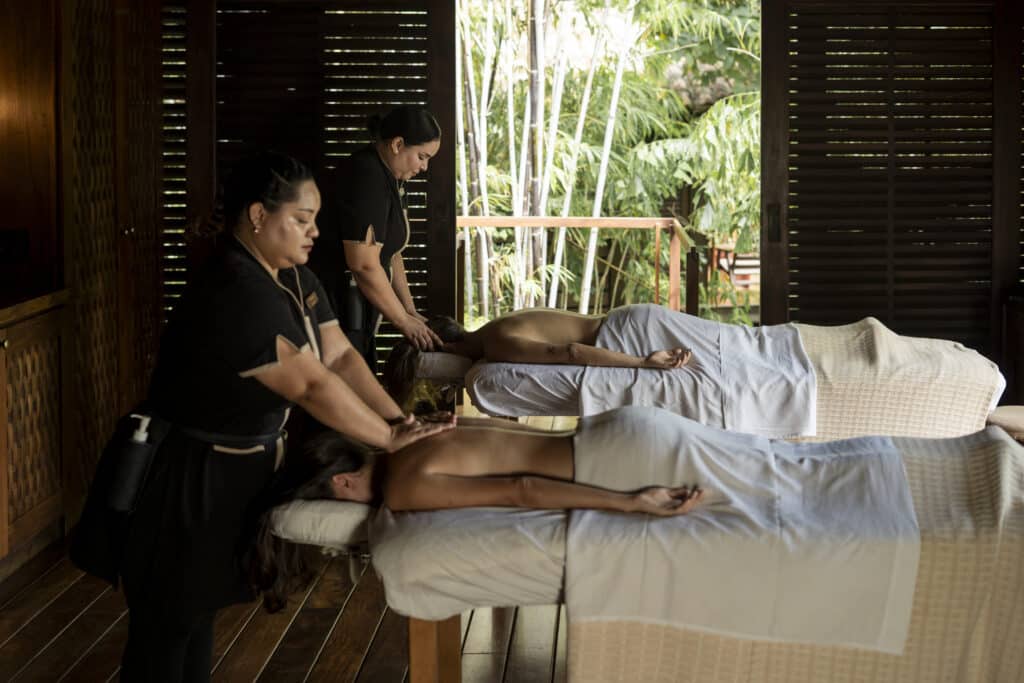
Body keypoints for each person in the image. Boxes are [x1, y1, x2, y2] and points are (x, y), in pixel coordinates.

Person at [70, 151, 453, 683]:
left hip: (237, 474)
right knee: (166, 624)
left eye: (315, 220)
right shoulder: (233, 289)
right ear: (257, 215)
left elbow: (341, 357)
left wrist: (400, 422)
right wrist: (392, 441)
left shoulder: (295, 279)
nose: (314, 231)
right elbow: (313, 384)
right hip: (182, 479)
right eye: (301, 219)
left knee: (198, 615)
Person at [247, 412, 704, 611]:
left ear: (341, 482)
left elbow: (519, 490)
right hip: (621, 430)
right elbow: (507, 433)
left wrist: (629, 502)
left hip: (613, 467)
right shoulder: (417, 429)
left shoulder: (403, 487)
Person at [309, 106, 444, 369]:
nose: (424, 167)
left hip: (359, 308)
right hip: (335, 304)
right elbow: (363, 263)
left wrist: (409, 310)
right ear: (397, 144)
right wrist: (403, 323)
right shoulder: (366, 175)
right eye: (422, 156)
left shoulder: (390, 178)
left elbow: (390, 254)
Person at [382, 308, 691, 403]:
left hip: (623, 340)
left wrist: (641, 362)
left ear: (446, 349)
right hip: (627, 320)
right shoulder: (494, 327)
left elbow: (571, 352)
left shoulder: (498, 343)